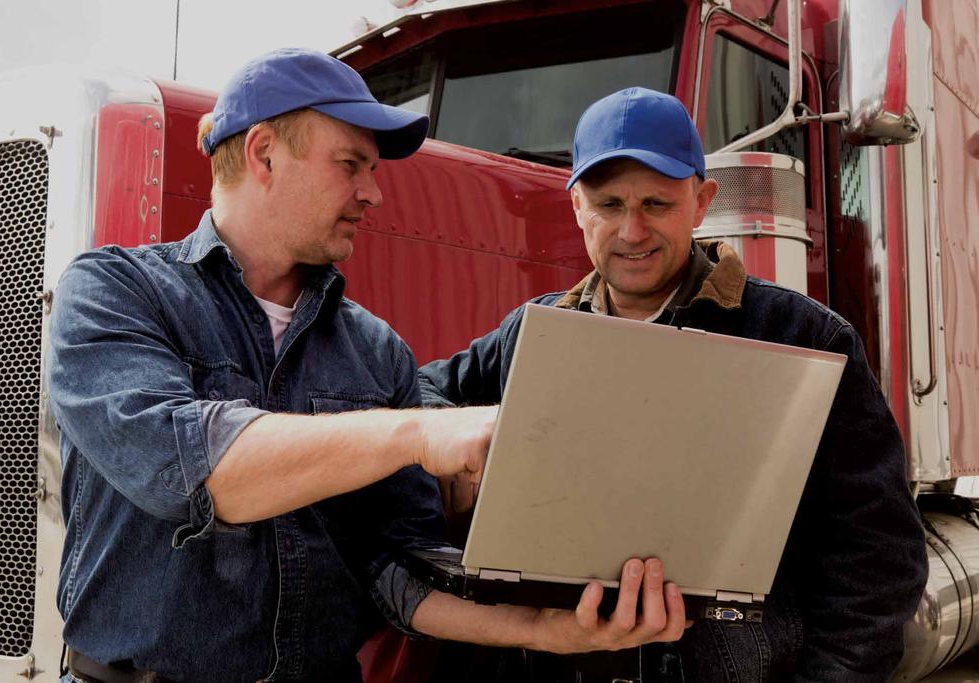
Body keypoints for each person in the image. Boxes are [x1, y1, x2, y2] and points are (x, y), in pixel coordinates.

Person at [47, 52, 687, 683]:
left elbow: (396, 570)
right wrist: (415, 433)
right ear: (264, 153)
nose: (372, 192)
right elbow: (194, 470)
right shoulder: (113, 293)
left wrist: (545, 632)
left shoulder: (376, 350)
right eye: (351, 164)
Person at [418, 87, 929, 682]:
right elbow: (420, 392)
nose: (632, 231)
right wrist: (452, 442)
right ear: (577, 206)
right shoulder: (531, 334)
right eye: (609, 204)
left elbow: (876, 557)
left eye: (657, 204)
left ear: (702, 200)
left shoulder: (802, 338)